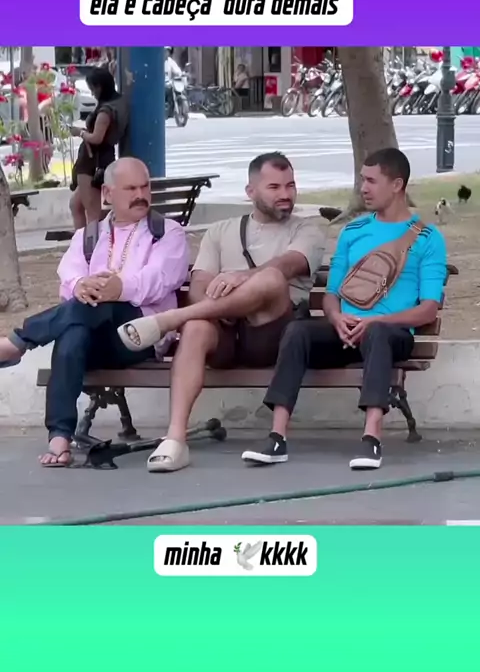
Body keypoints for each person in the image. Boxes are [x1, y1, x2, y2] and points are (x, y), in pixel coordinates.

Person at [117, 152, 325, 473]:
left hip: (274, 335)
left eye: (290, 185)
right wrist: (222, 308)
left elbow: (287, 266)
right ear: (250, 191)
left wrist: (240, 278)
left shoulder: (307, 230)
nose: (285, 194)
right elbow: (200, 284)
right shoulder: (220, 231)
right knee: (196, 327)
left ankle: (170, 320)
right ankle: (175, 439)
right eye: (274, 187)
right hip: (226, 333)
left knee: (271, 278)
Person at [242, 148, 447, 471]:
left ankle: (371, 439)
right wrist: (336, 318)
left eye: (371, 181)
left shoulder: (427, 238)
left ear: (396, 185)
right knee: (297, 331)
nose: (363, 188)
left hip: (391, 334)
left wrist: (376, 320)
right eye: (362, 180)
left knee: (377, 333)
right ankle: (277, 437)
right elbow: (332, 295)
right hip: (346, 331)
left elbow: (428, 310)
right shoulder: (353, 232)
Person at [0, 158, 189, 468]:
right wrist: (81, 286)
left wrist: (117, 288)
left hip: (139, 336)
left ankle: (17, 343)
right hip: (92, 337)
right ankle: (60, 437)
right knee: (74, 332)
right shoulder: (88, 236)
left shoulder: (167, 233)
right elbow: (69, 283)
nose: (140, 195)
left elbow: (160, 279)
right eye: (130, 189)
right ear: (108, 193)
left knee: (99, 306)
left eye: (145, 187)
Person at [70, 67, 129, 229]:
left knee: (93, 210)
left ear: (100, 87)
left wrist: (80, 132)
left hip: (92, 161)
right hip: (103, 158)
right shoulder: (120, 103)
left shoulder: (105, 111)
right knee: (76, 205)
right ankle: (81, 240)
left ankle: (92, 241)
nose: (92, 93)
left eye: (93, 89)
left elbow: (97, 138)